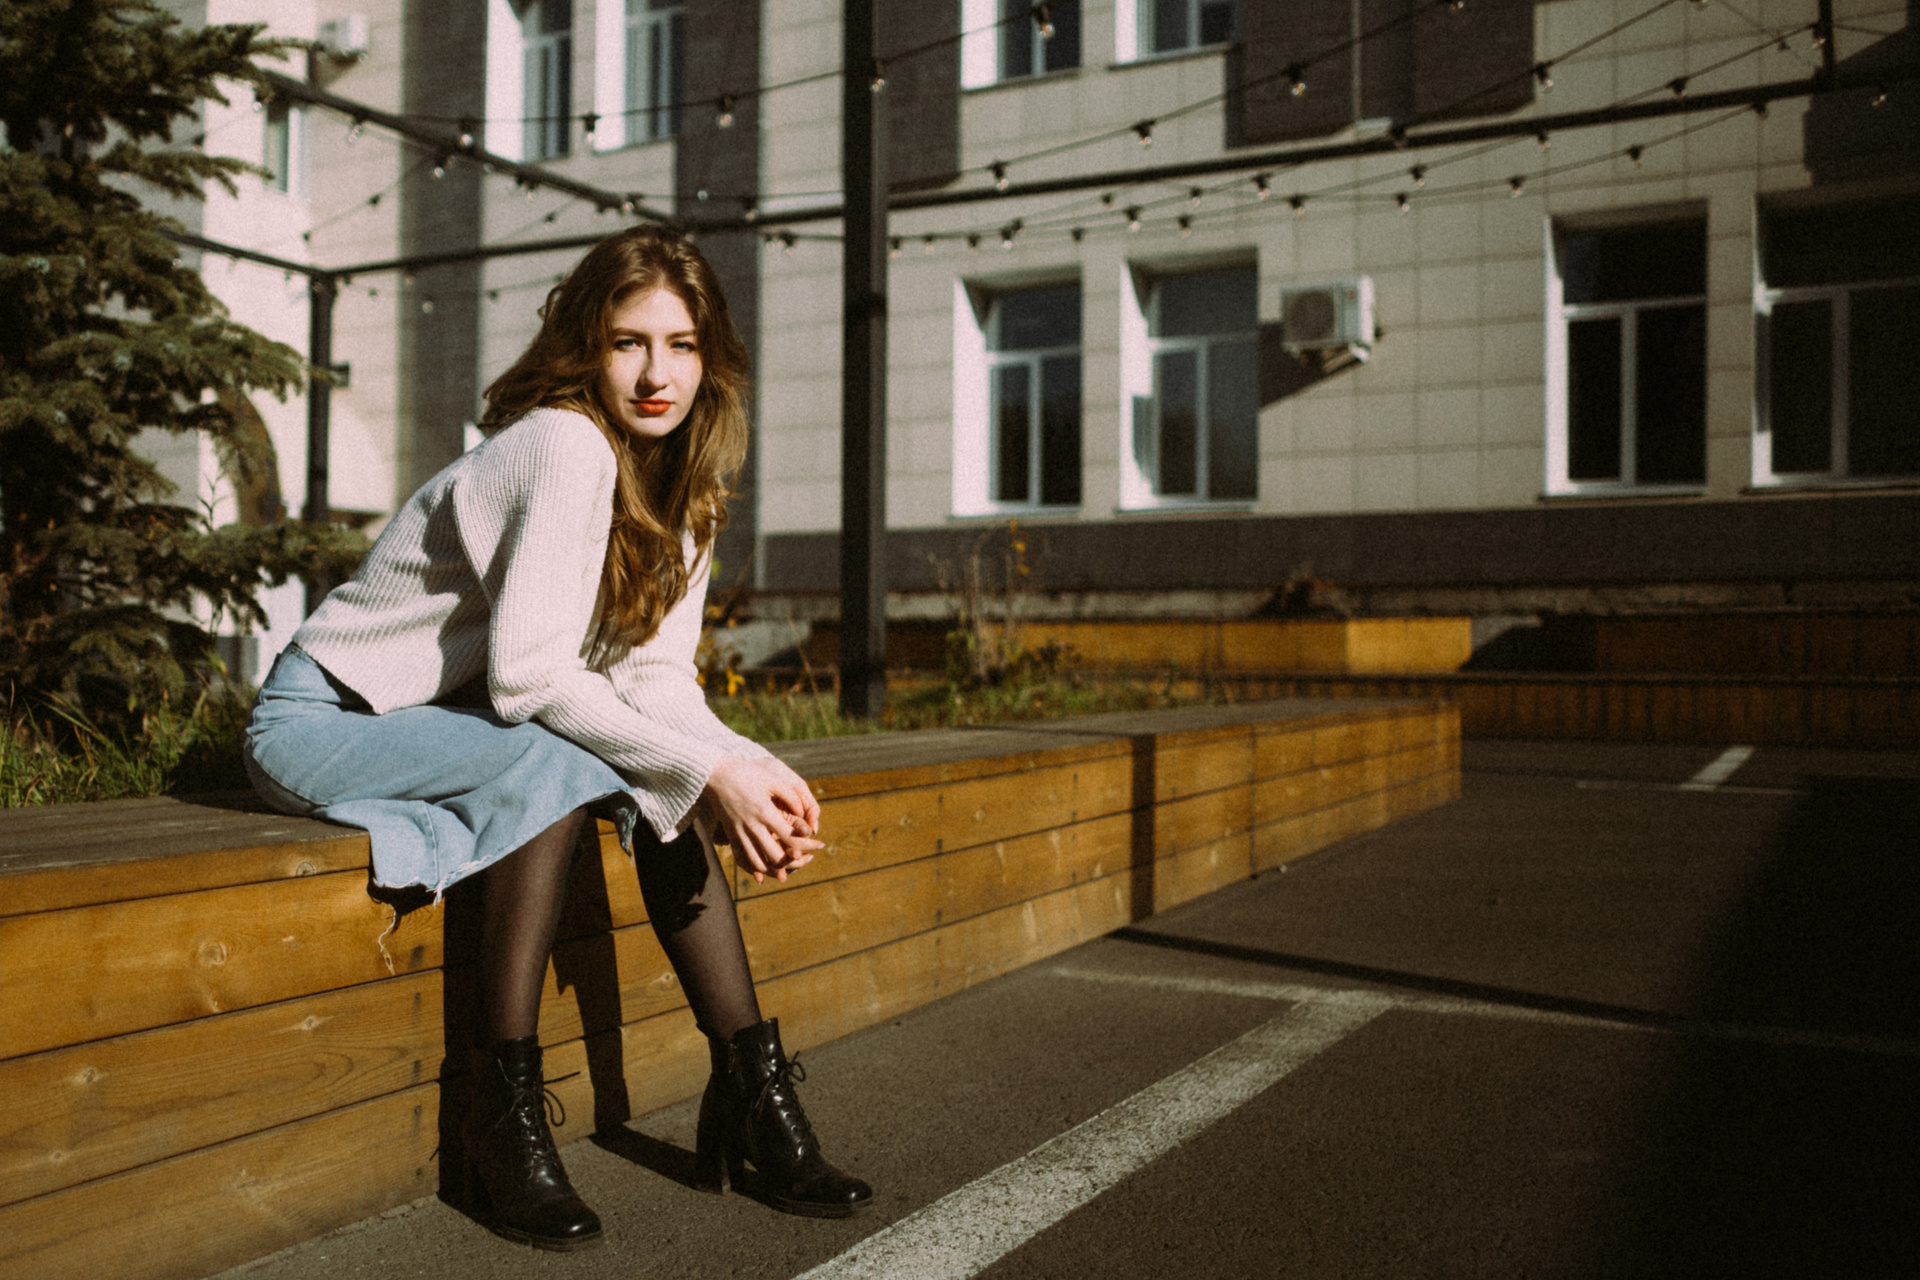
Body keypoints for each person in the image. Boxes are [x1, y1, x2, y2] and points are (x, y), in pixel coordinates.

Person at [242, 225, 871, 1251]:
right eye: (629, 343)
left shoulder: (684, 487)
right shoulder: (562, 443)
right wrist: (708, 770)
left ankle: (752, 1087)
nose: (657, 374)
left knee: (630, 757)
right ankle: (500, 1110)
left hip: (442, 724)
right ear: (588, 346)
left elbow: (653, 682)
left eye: (681, 345)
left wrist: (748, 765)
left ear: (711, 357)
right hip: (328, 719)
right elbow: (530, 678)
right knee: (567, 755)